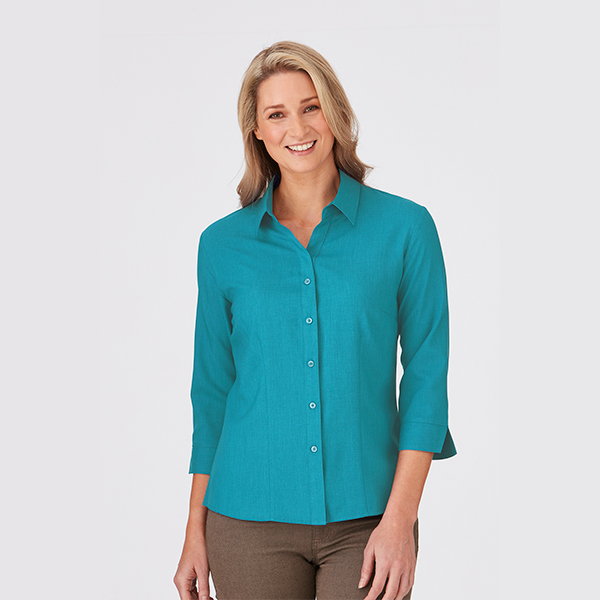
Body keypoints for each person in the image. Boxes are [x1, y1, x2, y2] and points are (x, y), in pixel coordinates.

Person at [174, 41, 456, 600]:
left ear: (336, 113)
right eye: (277, 114)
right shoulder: (222, 245)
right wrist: (193, 532)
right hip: (245, 520)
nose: (297, 128)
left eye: (311, 107)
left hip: (369, 518)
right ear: (257, 130)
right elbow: (212, 393)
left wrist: (400, 521)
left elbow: (426, 380)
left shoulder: (406, 228)